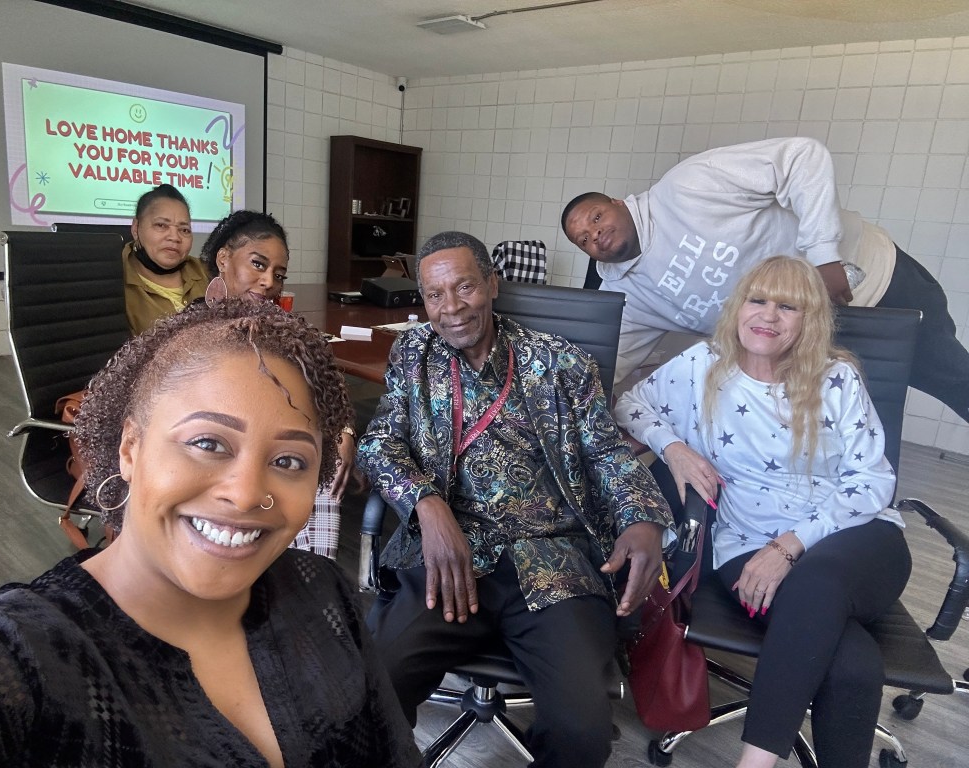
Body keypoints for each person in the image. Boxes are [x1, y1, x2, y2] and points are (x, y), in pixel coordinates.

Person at [0, 301, 421, 768]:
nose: (245, 494)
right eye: (208, 443)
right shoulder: (10, 661)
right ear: (130, 448)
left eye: (288, 461)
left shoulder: (323, 590)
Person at [356, 231, 673, 768]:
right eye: (435, 295)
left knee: (583, 730)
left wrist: (642, 519)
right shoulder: (414, 355)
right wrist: (427, 506)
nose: (451, 308)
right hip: (450, 561)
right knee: (369, 689)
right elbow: (380, 440)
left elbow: (605, 453)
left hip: (554, 565)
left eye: (464, 288)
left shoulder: (559, 363)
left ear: (492, 284)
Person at [617, 256, 910, 768]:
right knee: (850, 660)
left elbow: (873, 482)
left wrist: (789, 546)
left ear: (809, 319)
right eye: (758, 300)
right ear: (738, 307)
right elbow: (630, 405)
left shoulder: (835, 379)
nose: (768, 316)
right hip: (743, 545)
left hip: (856, 537)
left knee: (817, 587)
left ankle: (754, 763)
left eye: (787, 306)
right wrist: (674, 448)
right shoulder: (704, 366)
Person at [562, 136, 969, 424]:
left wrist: (824, 256)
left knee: (955, 381)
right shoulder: (626, 293)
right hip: (814, 346)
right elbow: (613, 360)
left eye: (596, 218)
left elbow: (800, 157)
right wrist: (577, 398)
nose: (594, 235)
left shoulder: (685, 186)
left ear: (617, 202)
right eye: (583, 239)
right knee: (863, 432)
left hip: (875, 288)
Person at [198, 209, 361, 558]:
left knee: (319, 462)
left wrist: (344, 430)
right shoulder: (188, 333)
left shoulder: (282, 330)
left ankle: (307, 582)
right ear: (223, 259)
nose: (269, 281)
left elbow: (327, 385)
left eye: (279, 274)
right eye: (258, 264)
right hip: (218, 455)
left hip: (276, 449)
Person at [123, 183, 209, 334]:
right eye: (161, 225)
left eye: (184, 230)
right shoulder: (113, 276)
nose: (175, 237)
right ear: (136, 229)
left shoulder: (207, 272)